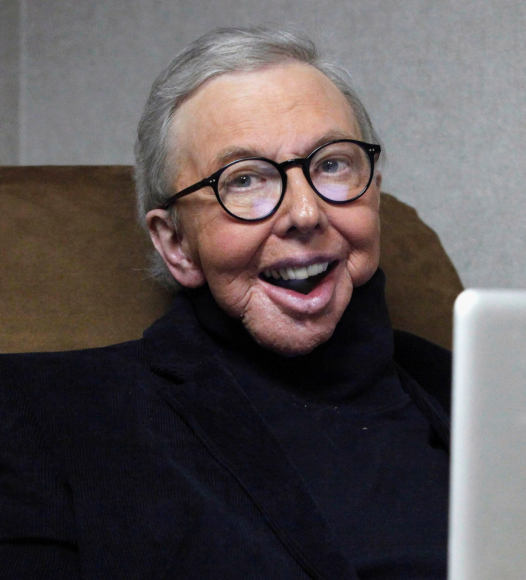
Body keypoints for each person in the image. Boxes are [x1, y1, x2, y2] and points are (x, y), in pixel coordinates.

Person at [0, 27, 451, 579]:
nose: (305, 213)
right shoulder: (42, 415)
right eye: (244, 180)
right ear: (175, 243)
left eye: (332, 164)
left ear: (373, 190)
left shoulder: (477, 393)